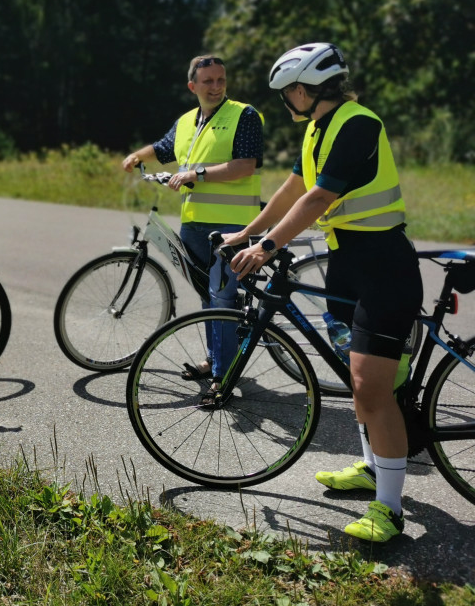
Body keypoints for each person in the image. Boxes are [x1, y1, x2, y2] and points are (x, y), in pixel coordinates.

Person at [224, 42, 422, 542]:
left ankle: (391, 511)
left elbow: (319, 196)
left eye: (286, 92)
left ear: (304, 88)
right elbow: (292, 189)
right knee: (358, 383)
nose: (285, 101)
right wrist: (246, 233)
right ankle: (372, 467)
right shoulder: (318, 129)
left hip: (382, 265)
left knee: (372, 391)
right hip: (347, 263)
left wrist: (268, 246)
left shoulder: (357, 123)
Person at [122, 55, 264, 385]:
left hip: (232, 226)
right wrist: (137, 157)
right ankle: (216, 360)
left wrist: (196, 174)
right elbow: (163, 148)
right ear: (192, 86)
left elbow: (245, 165)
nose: (216, 87)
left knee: (223, 298)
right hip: (195, 225)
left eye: (220, 80)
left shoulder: (244, 115)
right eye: (208, 81)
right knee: (207, 296)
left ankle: (223, 377)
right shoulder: (188, 121)